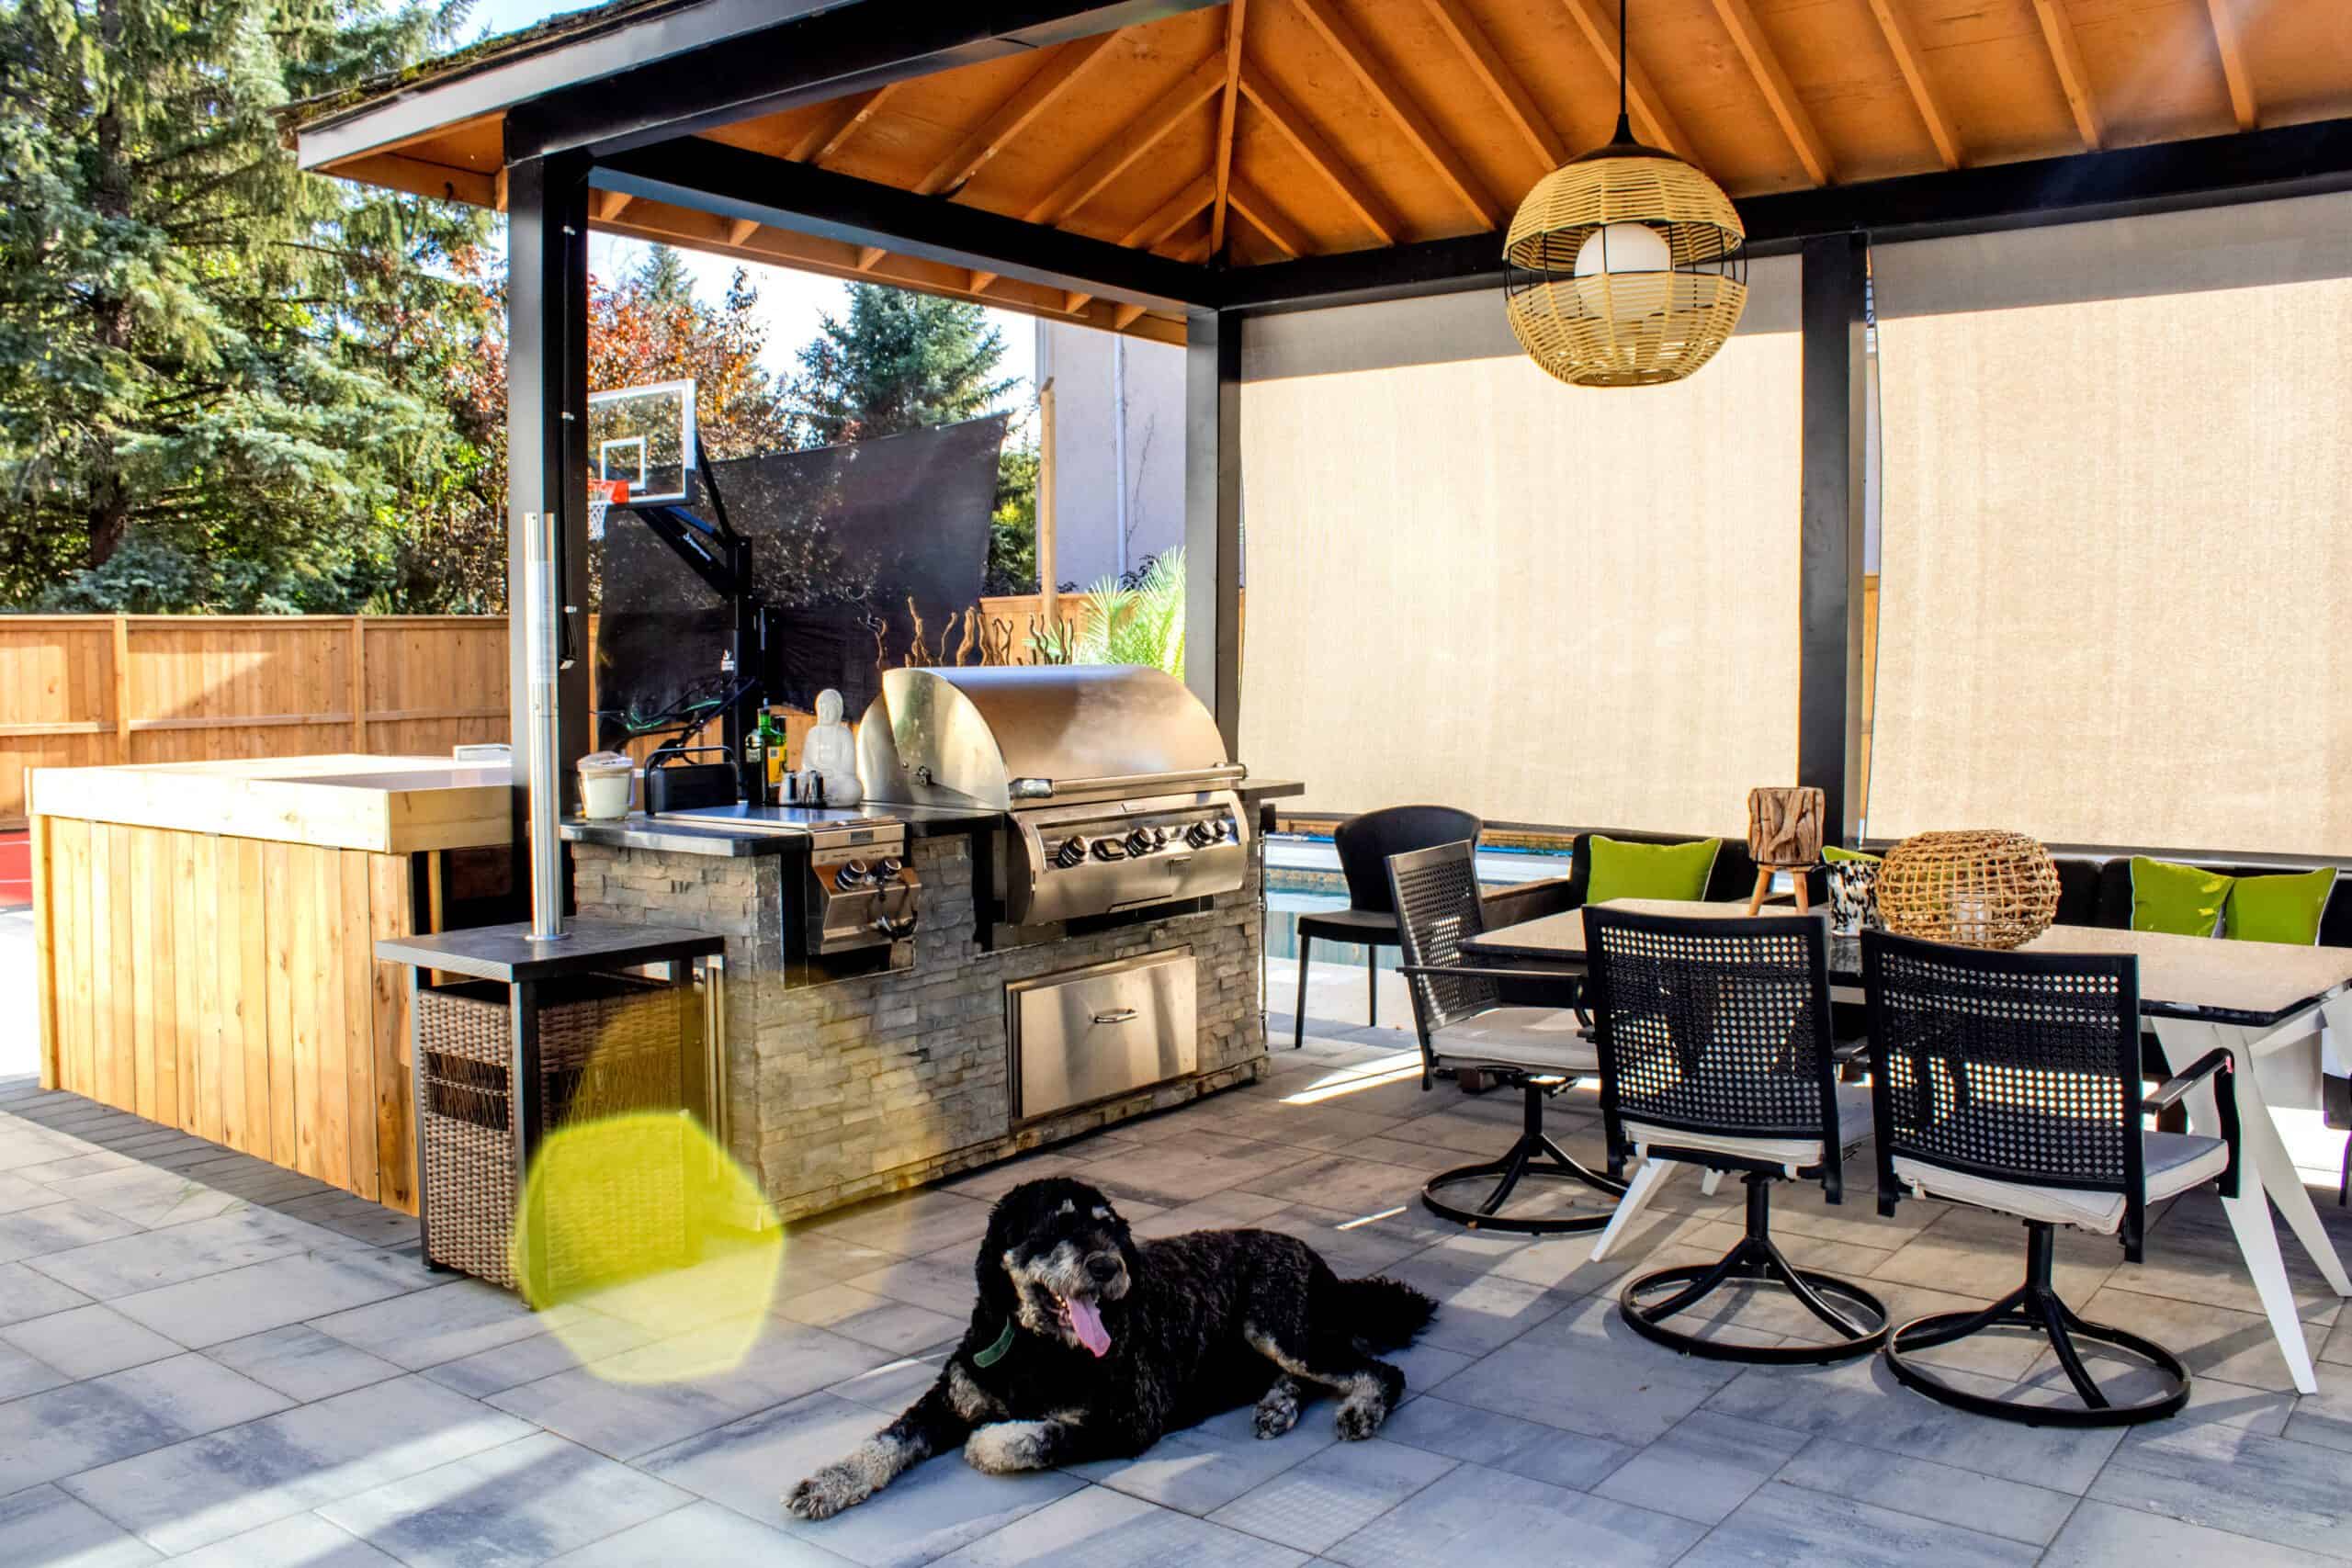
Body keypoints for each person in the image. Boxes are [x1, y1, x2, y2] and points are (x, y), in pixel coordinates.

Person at [799, 687, 863, 807]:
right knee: (797, 780)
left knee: (853, 788)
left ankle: (829, 800)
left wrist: (831, 773)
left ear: (838, 710)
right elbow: (806, 763)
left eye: (829, 709)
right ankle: (815, 797)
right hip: (815, 780)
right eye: (822, 709)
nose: (825, 713)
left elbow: (848, 767)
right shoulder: (813, 732)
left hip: (836, 781)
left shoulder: (844, 733)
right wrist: (816, 774)